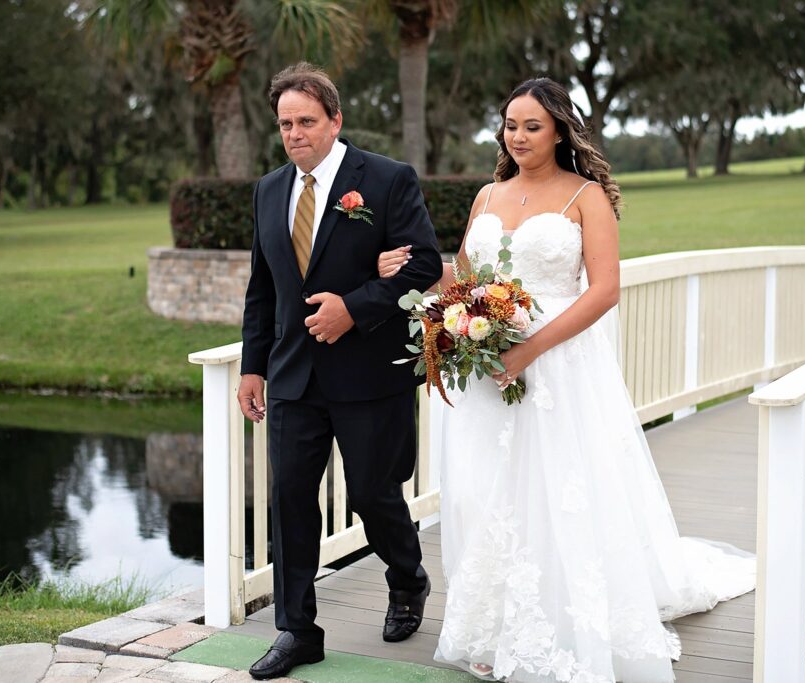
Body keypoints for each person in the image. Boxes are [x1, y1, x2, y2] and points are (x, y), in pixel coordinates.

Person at [377, 78, 754, 683]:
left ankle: (563, 620)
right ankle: (490, 625)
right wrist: (412, 273)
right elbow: (466, 279)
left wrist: (527, 352)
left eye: (532, 125)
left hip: (556, 365)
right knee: (488, 489)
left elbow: (604, 290)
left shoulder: (586, 196)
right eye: (510, 125)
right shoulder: (486, 195)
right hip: (483, 366)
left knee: (557, 487)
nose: (518, 136)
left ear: (558, 130)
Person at [237, 62, 444, 681]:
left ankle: (408, 579)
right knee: (291, 502)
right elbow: (262, 289)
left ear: (335, 121)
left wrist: (353, 309)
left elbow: (423, 265)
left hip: (369, 375)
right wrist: (253, 368)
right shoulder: (269, 190)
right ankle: (297, 631)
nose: (295, 133)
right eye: (285, 124)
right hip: (293, 377)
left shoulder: (384, 180)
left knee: (374, 497)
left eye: (306, 121)